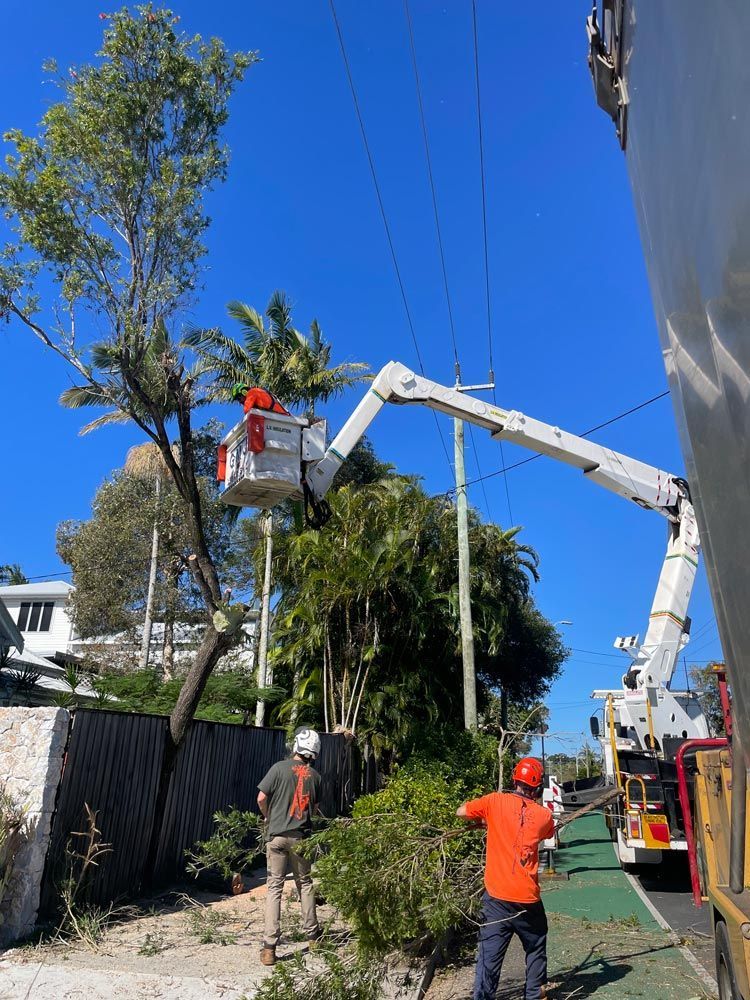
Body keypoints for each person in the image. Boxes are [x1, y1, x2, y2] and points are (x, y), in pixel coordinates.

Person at [456, 757, 555, 1000]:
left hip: (496, 900)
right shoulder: (543, 815)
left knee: (488, 960)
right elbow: (548, 832)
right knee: (536, 945)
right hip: (527, 901)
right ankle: (534, 994)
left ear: (514, 780)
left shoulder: (493, 802)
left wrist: (485, 819)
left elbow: (461, 812)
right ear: (537, 787)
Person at [257, 727, 323, 966]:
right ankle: (313, 937)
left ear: (296, 746)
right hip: (301, 839)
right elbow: (314, 810)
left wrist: (268, 817)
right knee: (305, 885)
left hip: (276, 838)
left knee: (274, 888)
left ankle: (269, 948)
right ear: (314, 752)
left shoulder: (277, 768)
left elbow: (261, 798)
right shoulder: (315, 777)